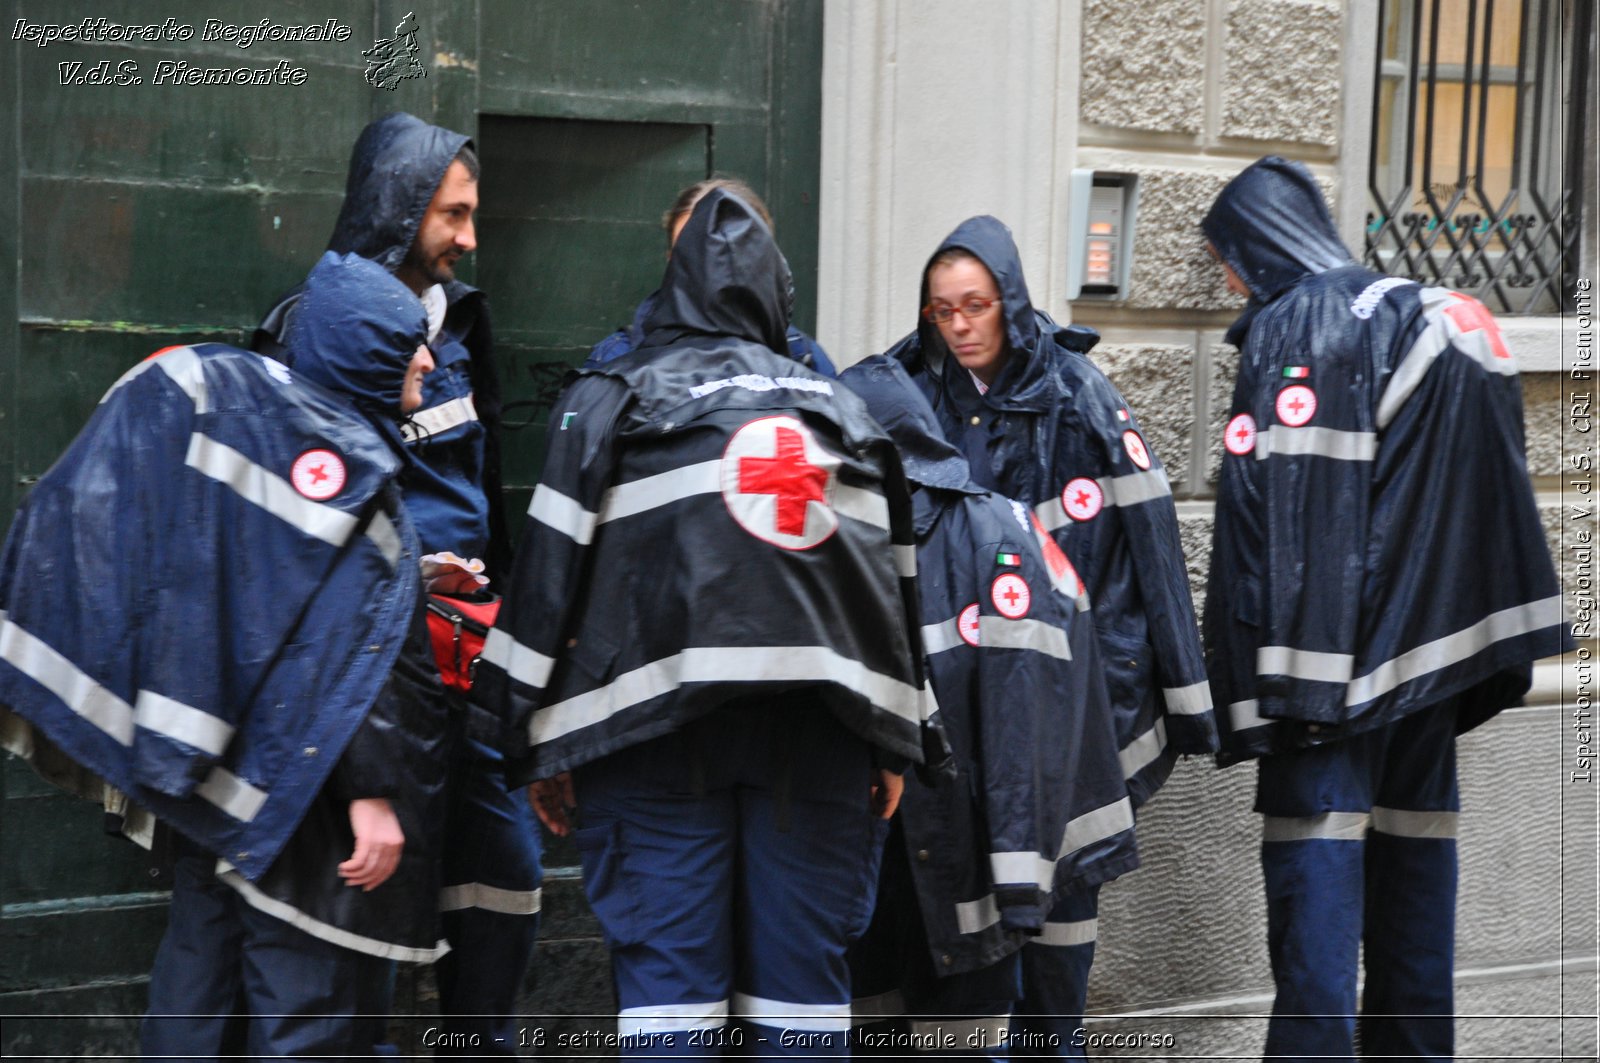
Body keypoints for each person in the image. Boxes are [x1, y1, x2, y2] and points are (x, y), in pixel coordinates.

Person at [473, 188, 939, 1058]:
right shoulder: (845, 413)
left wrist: (526, 739)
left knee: (669, 1003)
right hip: (819, 743)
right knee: (802, 1006)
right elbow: (896, 592)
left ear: (672, 279)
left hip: (654, 738)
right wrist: (903, 741)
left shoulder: (607, 396)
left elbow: (546, 583)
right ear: (780, 285)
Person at [0, 251, 451, 1059]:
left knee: (196, 988)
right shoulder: (357, 476)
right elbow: (359, 656)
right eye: (410, 341)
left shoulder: (245, 416)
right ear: (366, 348)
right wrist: (374, 795)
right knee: (302, 1003)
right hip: (301, 804)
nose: (430, 358)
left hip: (206, 781)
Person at [1201, 155, 1572, 1060]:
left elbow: (1288, 512)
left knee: (1316, 918)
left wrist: (1280, 689)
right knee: (1414, 896)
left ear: (1257, 244)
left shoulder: (1301, 322)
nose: (1227, 280)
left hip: (1326, 684)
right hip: (1428, 675)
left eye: (1226, 258)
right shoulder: (1421, 308)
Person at [889, 215, 1217, 1054]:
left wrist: (1173, 699)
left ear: (1010, 301)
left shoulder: (1080, 396)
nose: (960, 326)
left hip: (1073, 705)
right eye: (942, 310)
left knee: (1064, 904)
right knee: (978, 922)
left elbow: (1151, 550)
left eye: (975, 306)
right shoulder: (910, 389)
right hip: (966, 706)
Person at [253, 111, 540, 1055]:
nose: (466, 236)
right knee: (362, 923)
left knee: (502, 878)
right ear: (398, 206)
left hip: (468, 670)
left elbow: (483, 481)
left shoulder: (463, 324)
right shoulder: (317, 332)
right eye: (451, 215)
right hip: (373, 689)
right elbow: (315, 531)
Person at [839, 356, 1137, 1057]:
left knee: (979, 1030)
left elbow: (1019, 723)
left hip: (999, 855)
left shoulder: (989, 536)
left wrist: (1016, 885)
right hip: (928, 861)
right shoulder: (878, 533)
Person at [584, 176, 837, 377]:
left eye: (727, 253)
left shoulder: (804, 355)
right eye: (690, 252)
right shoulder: (618, 357)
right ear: (671, 258)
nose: (706, 267)